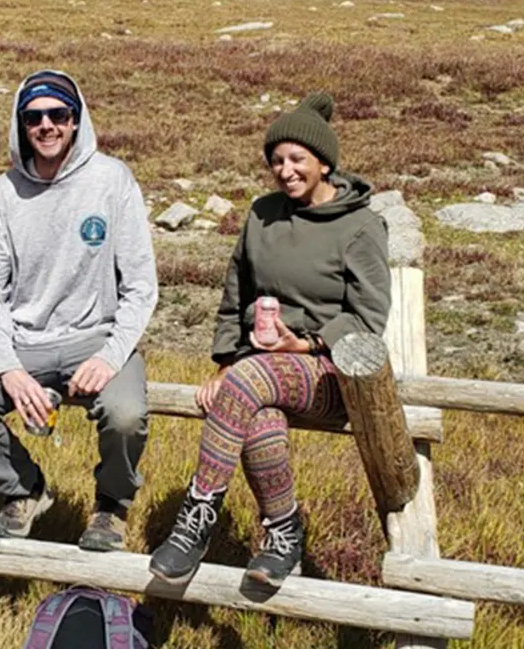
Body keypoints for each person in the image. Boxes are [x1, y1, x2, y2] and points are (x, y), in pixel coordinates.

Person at [149, 92, 391, 588]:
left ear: (324, 162)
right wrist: (225, 364)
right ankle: (283, 535)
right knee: (257, 417)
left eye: (297, 158)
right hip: (260, 372)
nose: (286, 170)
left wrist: (303, 345)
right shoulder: (261, 215)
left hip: (332, 374)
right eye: (276, 160)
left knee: (251, 381)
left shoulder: (360, 225)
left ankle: (196, 517)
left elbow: (369, 316)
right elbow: (234, 291)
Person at [0, 70, 158, 552]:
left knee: (125, 413)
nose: (47, 126)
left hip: (95, 337)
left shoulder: (112, 181)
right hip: (23, 341)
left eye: (59, 114)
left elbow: (141, 285)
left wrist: (110, 356)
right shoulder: (3, 192)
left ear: (76, 121)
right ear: (20, 125)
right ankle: (24, 490)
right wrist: (8, 367)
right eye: (33, 117)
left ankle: (111, 506)